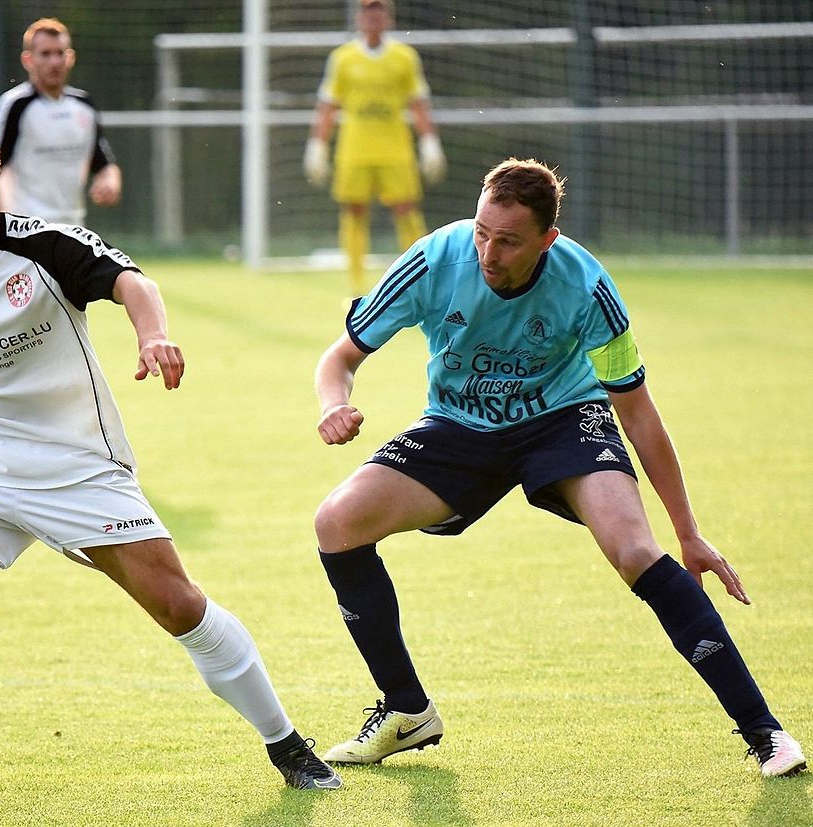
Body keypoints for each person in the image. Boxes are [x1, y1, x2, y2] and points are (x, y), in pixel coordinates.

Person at [0, 112, 341, 791]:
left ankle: (288, 746)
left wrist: (152, 335)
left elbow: (133, 282)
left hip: (77, 468)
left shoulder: (43, 247)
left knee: (177, 605)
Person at [310, 157, 806, 778]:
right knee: (337, 523)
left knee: (632, 550)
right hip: (460, 425)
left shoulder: (586, 285)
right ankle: (407, 711)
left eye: (509, 240)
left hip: (563, 419)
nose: (489, 252)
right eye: (482, 232)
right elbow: (341, 358)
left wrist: (687, 531)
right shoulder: (435, 260)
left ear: (548, 239)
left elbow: (638, 411)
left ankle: (767, 734)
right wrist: (335, 404)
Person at [304, 0, 446, 296]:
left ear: (388, 19)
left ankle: (421, 277)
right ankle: (356, 286)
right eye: (368, 13)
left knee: (405, 207)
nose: (373, 20)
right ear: (359, 18)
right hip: (354, 147)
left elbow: (417, 102)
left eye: (379, 14)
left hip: (395, 147)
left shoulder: (404, 57)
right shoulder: (343, 58)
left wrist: (429, 142)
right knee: (355, 210)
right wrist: (318, 144)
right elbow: (328, 105)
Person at [0, 18, 121, 226]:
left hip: (73, 227)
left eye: (60, 53)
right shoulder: (17, 104)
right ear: (28, 60)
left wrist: (110, 182)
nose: (54, 62)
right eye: (45, 54)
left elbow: (104, 163)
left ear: (71, 58)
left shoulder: (84, 105)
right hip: (27, 228)